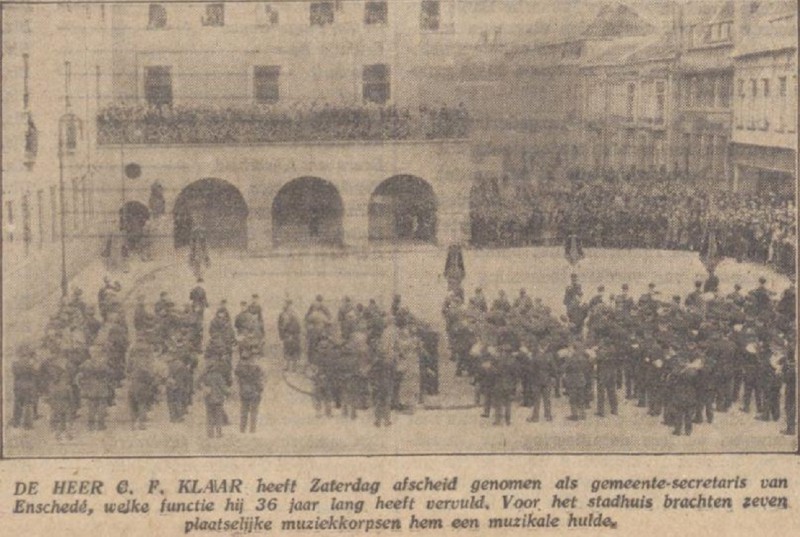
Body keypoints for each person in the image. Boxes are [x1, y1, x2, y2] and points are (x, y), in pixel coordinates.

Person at [198, 362, 229, 439]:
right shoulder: (218, 376)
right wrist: (228, 393)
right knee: (218, 416)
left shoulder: (204, 376)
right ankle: (219, 433)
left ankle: (210, 433)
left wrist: (203, 388)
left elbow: (197, 383)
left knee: (209, 416)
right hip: (218, 399)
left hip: (208, 399)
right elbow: (223, 388)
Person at [11, 343, 39, 430]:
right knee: (28, 405)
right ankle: (27, 425)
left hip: (18, 386)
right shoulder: (30, 365)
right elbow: (35, 374)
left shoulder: (15, 364)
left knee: (18, 404)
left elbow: (15, 375)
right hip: (29, 386)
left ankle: (16, 422)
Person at [235, 352, 264, 434]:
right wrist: (260, 389)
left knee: (244, 411)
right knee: (254, 412)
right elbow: (260, 381)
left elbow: (237, 378)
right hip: (255, 392)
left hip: (244, 392)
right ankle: (252, 429)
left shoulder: (240, 369)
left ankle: (242, 429)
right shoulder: (257, 369)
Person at [278, 300, 302, 371]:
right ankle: (289, 367)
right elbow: (280, 326)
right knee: (289, 350)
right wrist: (282, 335)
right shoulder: (284, 314)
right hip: (290, 335)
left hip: (292, 335)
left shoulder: (292, 314)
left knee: (292, 350)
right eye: (288, 305)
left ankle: (293, 367)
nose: (289, 307)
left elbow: (281, 326)